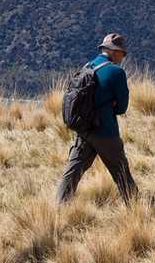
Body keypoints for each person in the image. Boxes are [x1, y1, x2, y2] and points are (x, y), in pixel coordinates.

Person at [56, 33, 138, 205]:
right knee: (121, 171)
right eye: (122, 53)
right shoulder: (117, 72)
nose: (123, 57)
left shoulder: (88, 67)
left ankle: (59, 208)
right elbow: (122, 107)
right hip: (105, 131)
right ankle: (137, 208)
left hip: (84, 129)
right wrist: (112, 104)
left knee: (73, 170)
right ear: (114, 51)